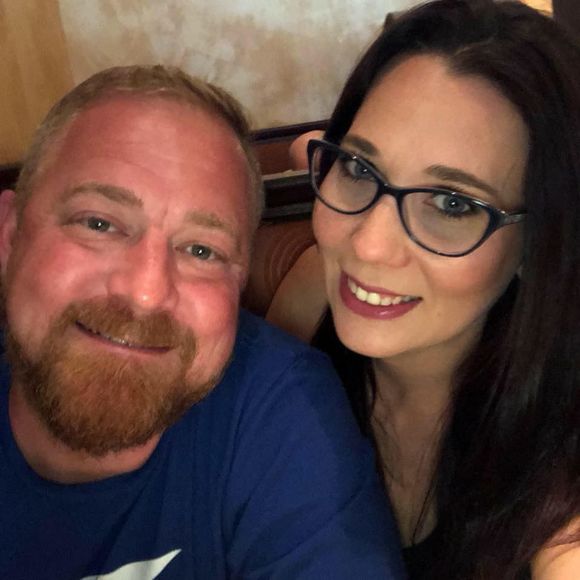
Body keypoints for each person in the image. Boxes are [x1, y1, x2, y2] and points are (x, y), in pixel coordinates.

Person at [0, 65, 406, 579]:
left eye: (201, 251)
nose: (146, 293)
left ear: (239, 282)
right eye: (98, 223)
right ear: (10, 234)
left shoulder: (279, 413)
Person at [267, 1, 580, 578]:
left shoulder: (557, 467)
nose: (368, 246)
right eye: (359, 168)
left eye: (453, 203)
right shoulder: (313, 294)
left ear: (537, 242)